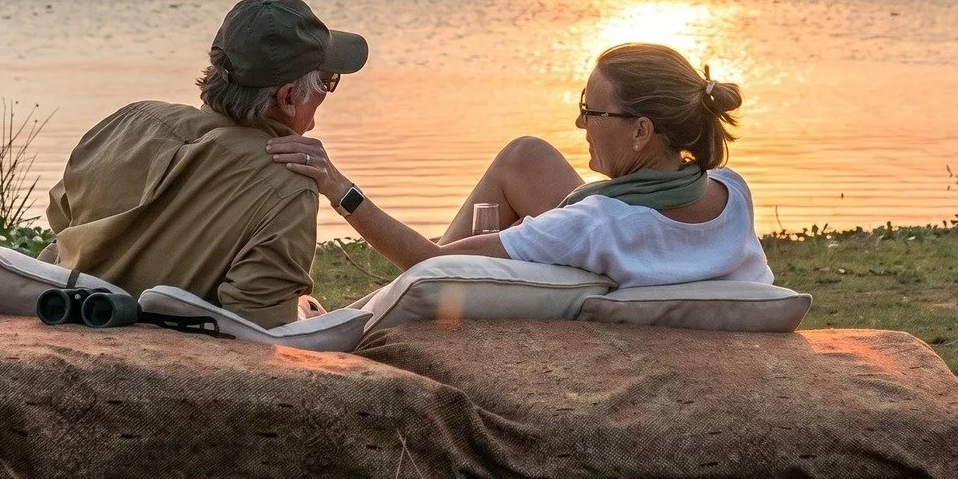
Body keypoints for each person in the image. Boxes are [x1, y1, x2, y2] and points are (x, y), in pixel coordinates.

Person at [267, 42, 773, 287]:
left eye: (591, 112)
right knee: (525, 155)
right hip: (652, 248)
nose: (580, 125)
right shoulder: (731, 191)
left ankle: (394, 304)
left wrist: (339, 189)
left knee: (432, 268)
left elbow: (430, 263)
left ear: (642, 131)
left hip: (622, 242)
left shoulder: (593, 224)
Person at [41, 0, 367, 326]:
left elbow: (60, 216)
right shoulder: (289, 186)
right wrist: (304, 307)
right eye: (327, 81)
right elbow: (258, 324)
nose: (327, 92)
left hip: (68, 312)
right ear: (287, 97)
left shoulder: (129, 121)